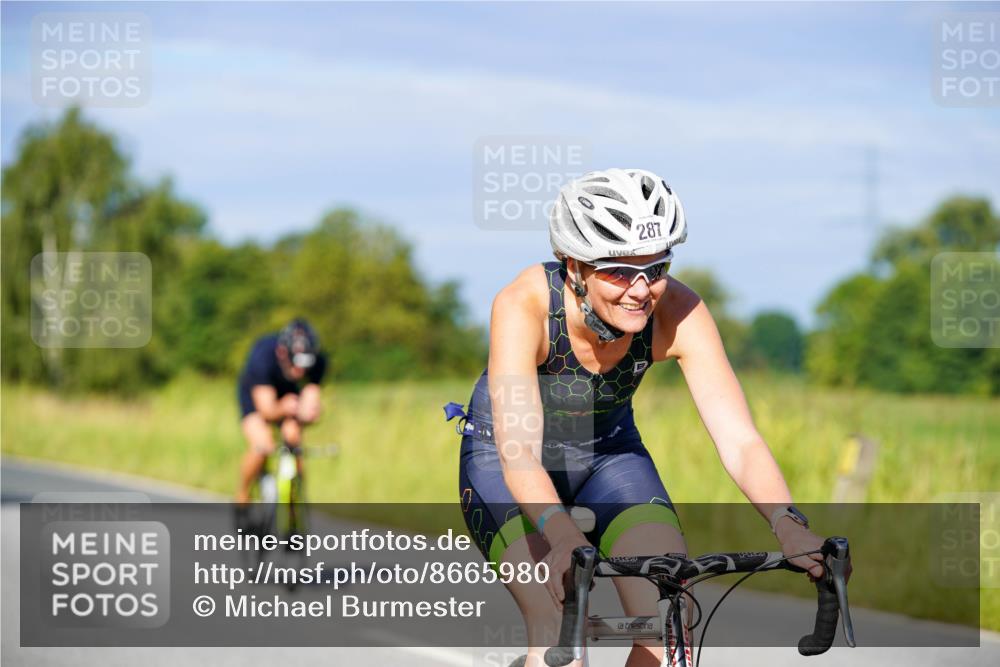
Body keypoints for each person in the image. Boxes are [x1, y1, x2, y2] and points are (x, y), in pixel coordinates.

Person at [454, 168, 825, 667]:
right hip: (506, 461)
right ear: (574, 266)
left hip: (608, 456)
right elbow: (518, 451)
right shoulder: (524, 305)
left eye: (656, 268)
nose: (641, 289)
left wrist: (786, 522)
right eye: (618, 271)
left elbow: (739, 440)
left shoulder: (679, 310)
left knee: (670, 620)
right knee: (559, 626)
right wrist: (561, 535)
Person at [235, 318, 326, 506]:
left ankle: (297, 499)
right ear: (283, 353)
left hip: (289, 394)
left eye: (305, 366)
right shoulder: (263, 356)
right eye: (295, 364)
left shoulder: (319, 361)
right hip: (257, 394)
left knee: (293, 438)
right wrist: (282, 408)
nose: (300, 371)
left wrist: (308, 415)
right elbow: (266, 411)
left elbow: (311, 398)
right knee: (262, 444)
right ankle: (242, 495)